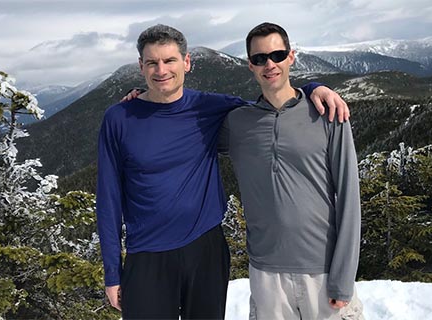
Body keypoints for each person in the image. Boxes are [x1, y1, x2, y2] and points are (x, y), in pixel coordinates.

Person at [96, 24, 350, 319]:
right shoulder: (119, 118)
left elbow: (272, 104)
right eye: (152, 62)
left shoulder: (209, 107)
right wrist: (112, 272)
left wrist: (312, 87)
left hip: (205, 248)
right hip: (146, 254)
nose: (161, 70)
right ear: (141, 66)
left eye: (169, 61)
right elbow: (109, 199)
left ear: (186, 62)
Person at [219, 22, 363, 319]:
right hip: (265, 274)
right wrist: (145, 95)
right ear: (250, 65)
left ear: (291, 56)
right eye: (259, 58)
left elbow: (349, 195)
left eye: (277, 55)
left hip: (323, 271)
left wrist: (343, 278)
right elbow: (181, 120)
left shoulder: (328, 115)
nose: (269, 64)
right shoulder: (237, 124)